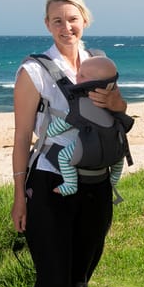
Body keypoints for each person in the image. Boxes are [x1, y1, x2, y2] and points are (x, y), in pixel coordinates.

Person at [11, 0, 129, 287]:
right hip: (50, 182)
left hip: (97, 183)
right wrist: (19, 195)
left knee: (81, 272)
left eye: (72, 19)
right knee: (54, 277)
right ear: (47, 25)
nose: (66, 27)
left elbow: (117, 116)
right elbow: (21, 137)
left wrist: (117, 101)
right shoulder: (34, 71)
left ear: (85, 21)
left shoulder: (99, 63)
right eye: (57, 20)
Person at [43, 54, 133, 199]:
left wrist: (50, 131)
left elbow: (67, 120)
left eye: (82, 75)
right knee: (118, 158)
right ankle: (114, 180)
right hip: (113, 143)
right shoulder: (111, 100)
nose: (76, 76)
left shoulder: (81, 104)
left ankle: (70, 185)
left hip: (90, 145)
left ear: (95, 82)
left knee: (63, 156)